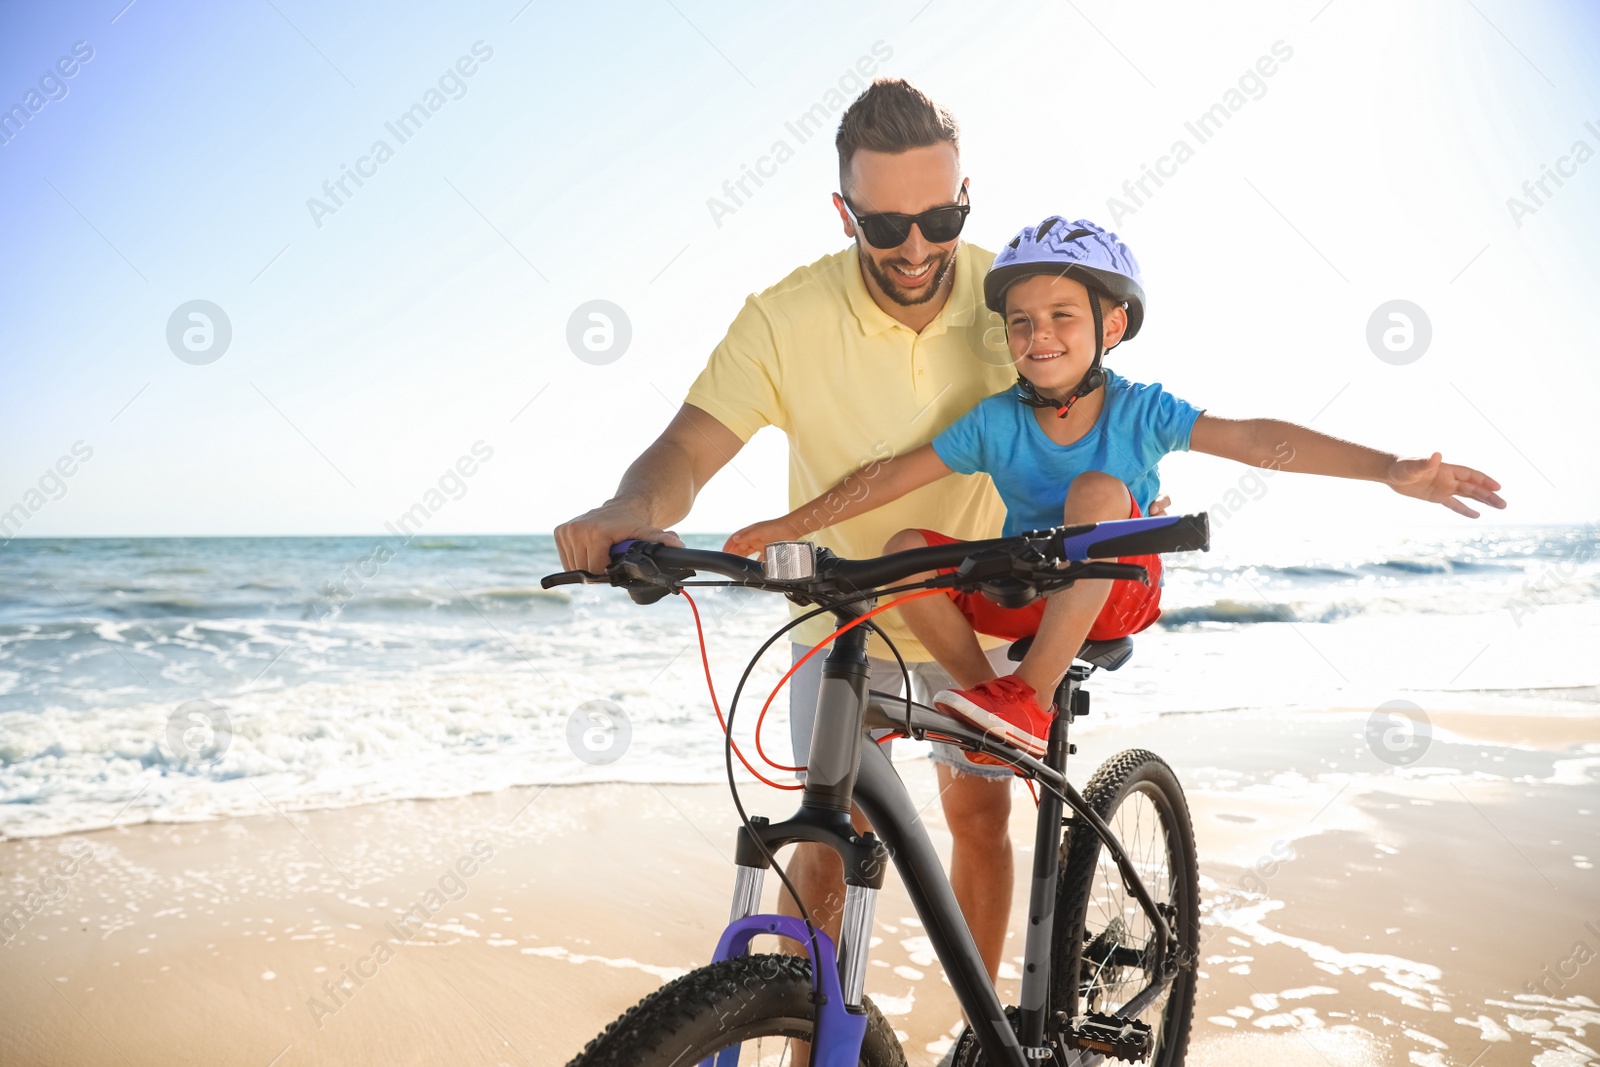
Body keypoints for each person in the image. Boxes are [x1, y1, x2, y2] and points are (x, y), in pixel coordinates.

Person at [554, 80, 1026, 983]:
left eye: (939, 217)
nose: (918, 247)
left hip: (972, 607)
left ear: (964, 196)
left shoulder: (1014, 297)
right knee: (823, 836)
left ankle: (982, 1029)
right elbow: (687, 449)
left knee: (977, 818)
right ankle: (805, 1036)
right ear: (844, 212)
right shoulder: (783, 317)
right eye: (887, 226)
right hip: (838, 611)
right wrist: (629, 512)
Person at [727, 216, 1508, 757]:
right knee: (905, 547)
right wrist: (782, 523)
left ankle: (1024, 703)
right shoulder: (996, 419)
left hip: (1118, 584)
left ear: (1112, 326)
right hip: (1031, 585)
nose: (1039, 337)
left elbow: (1251, 438)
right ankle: (990, 712)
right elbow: (891, 477)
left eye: (1063, 316)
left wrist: (1387, 468)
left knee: (1098, 493)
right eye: (1022, 321)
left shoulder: (1139, 410)